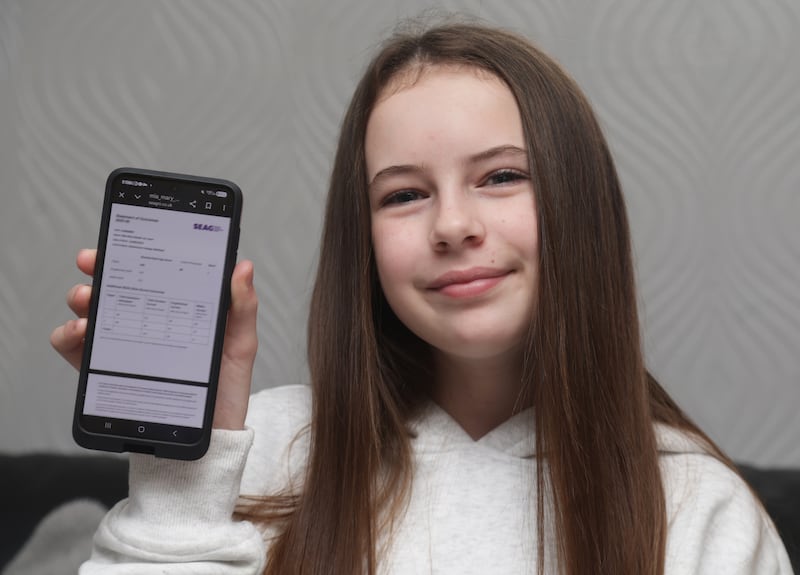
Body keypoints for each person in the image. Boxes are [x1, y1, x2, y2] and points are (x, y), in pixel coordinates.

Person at [50, 21, 793, 575]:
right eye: (404, 194)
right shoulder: (264, 447)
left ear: (582, 206)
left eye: (501, 177)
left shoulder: (698, 507)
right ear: (363, 241)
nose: (453, 225)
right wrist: (190, 461)